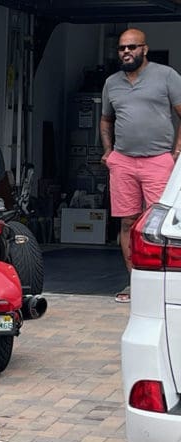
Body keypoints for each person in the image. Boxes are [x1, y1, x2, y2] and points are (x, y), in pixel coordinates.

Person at [100, 28, 181, 304]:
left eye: (132, 47)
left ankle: (161, 285)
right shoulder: (112, 82)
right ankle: (135, 282)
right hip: (123, 161)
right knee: (127, 223)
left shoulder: (166, 76)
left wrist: (176, 151)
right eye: (122, 48)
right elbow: (106, 120)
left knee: (159, 224)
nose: (126, 52)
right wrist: (109, 152)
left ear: (144, 49)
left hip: (158, 159)